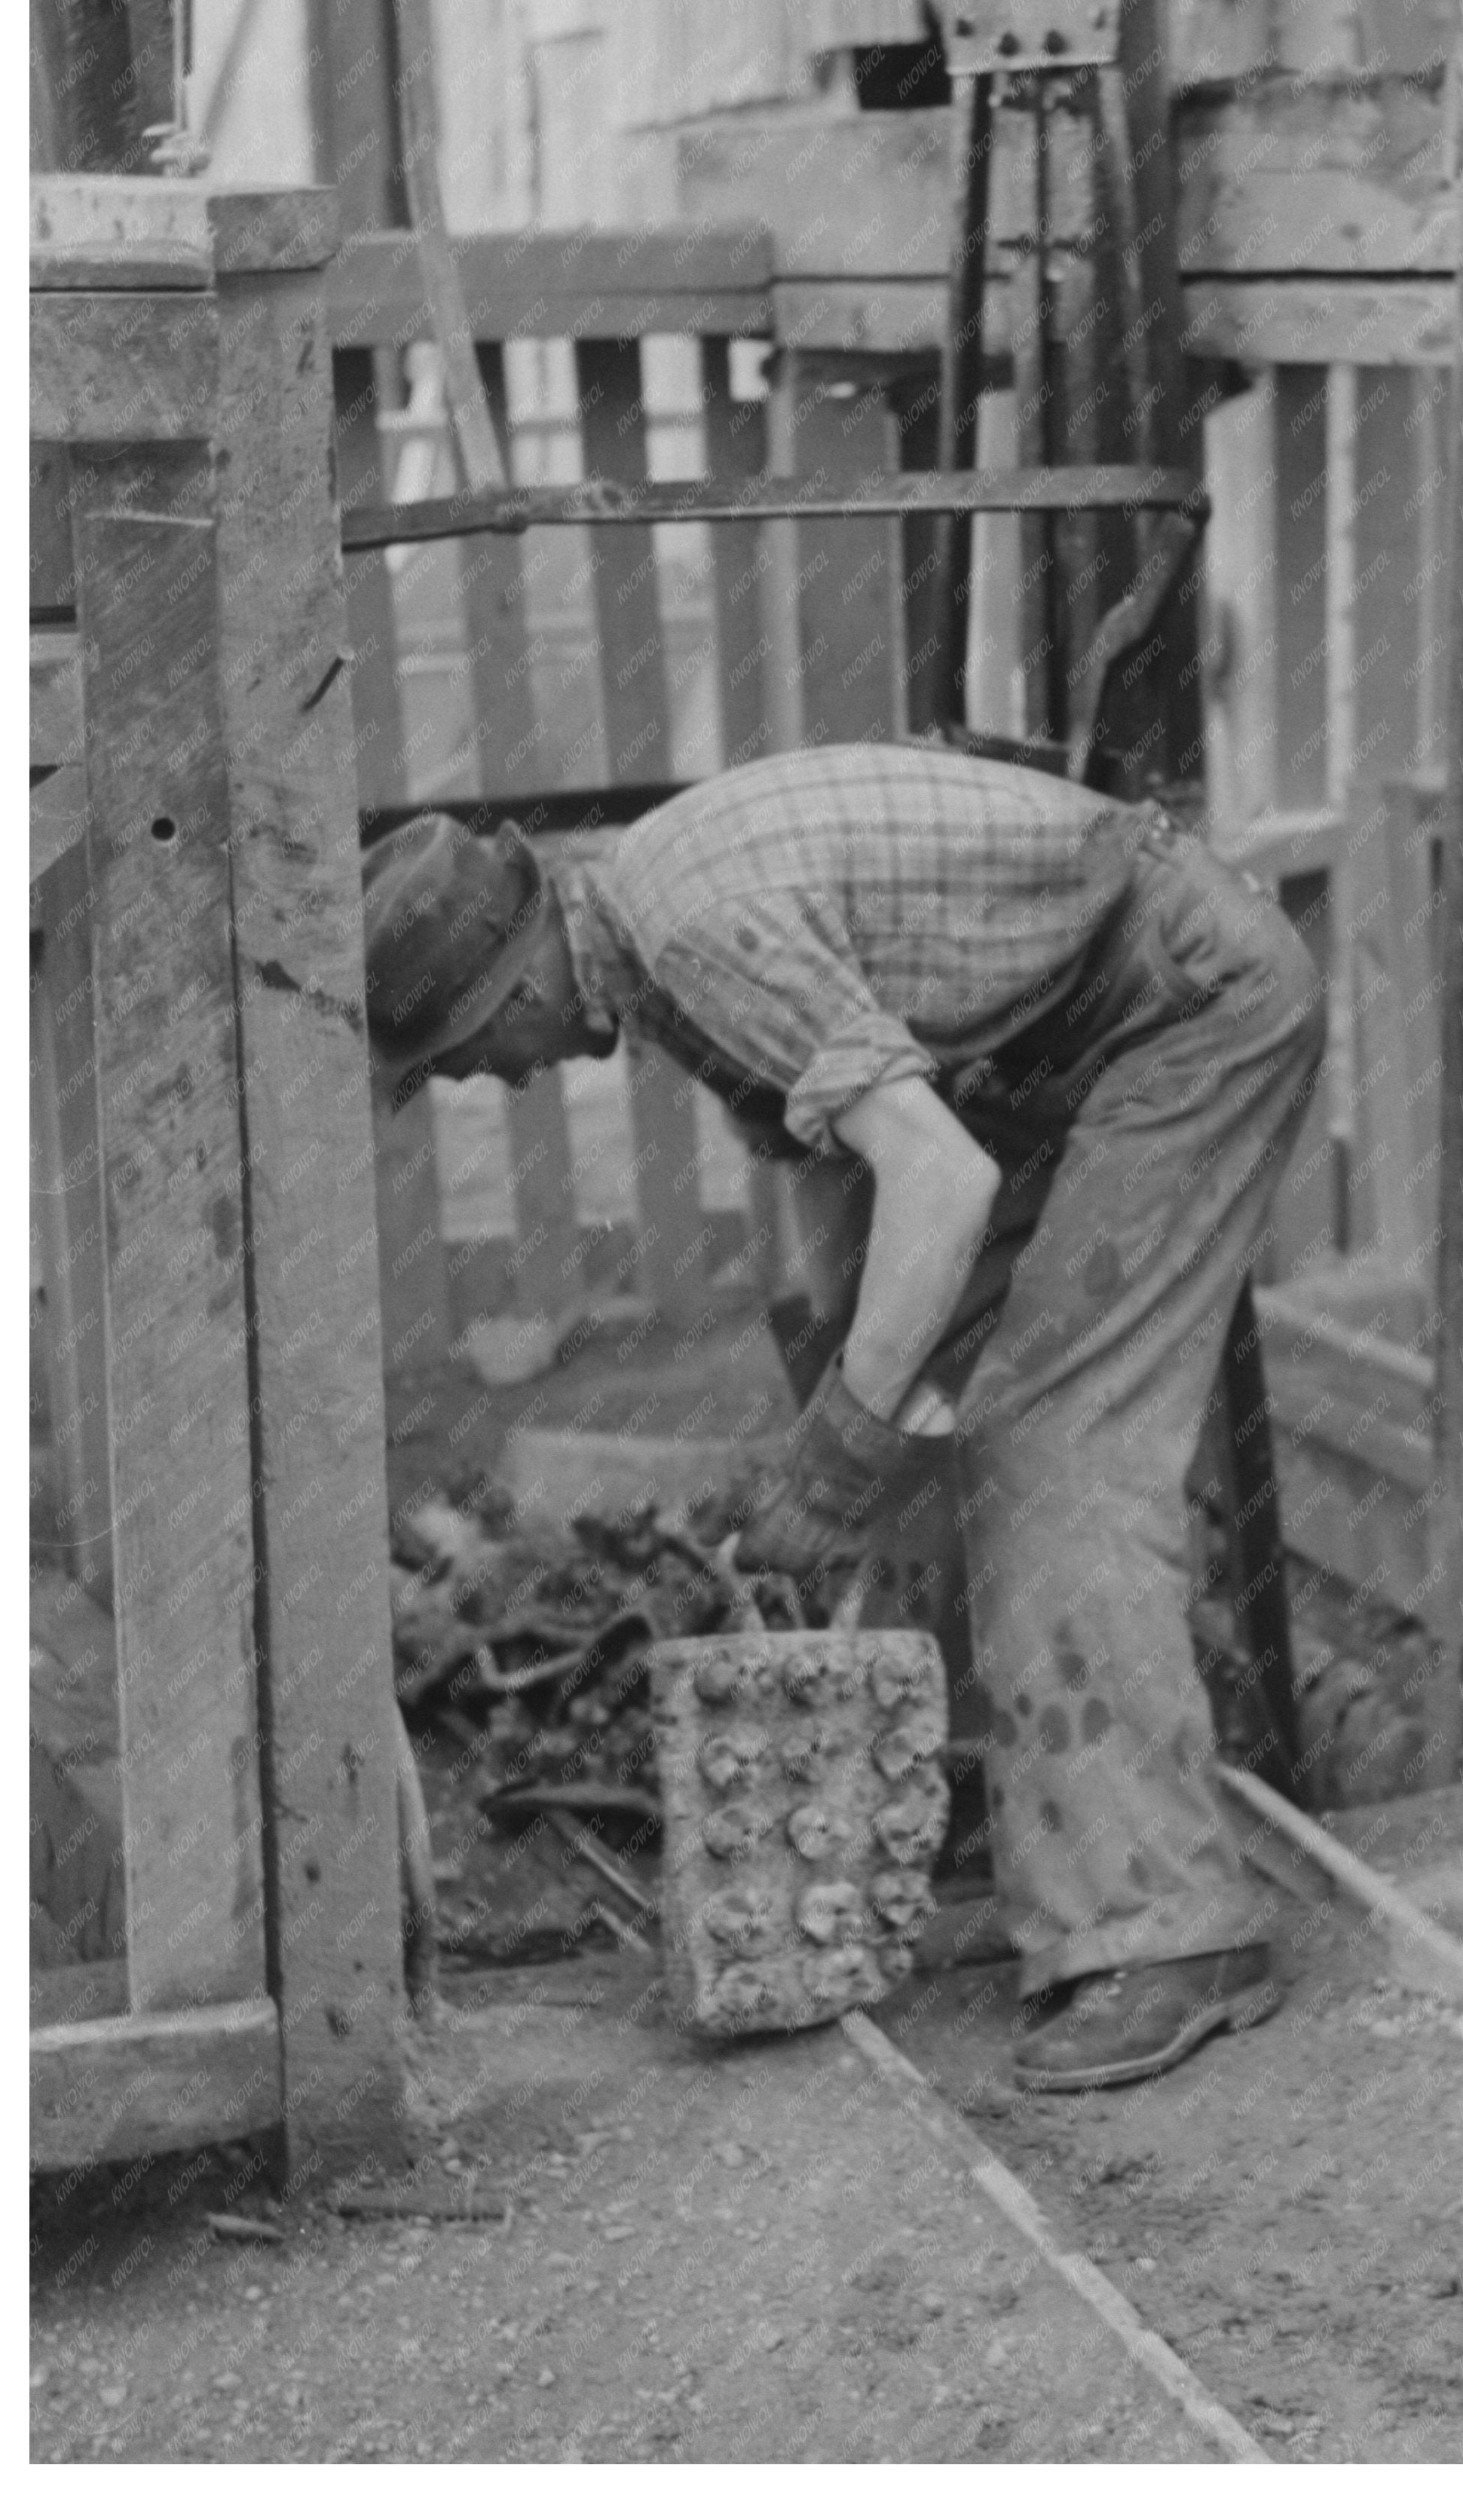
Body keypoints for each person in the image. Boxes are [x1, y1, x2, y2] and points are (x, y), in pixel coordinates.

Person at [362, 742, 1327, 2089]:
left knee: (1050, 1440)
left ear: (509, 980)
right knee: (926, 1414)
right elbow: (845, 1185)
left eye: (467, 1058)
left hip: (1179, 1011)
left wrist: (838, 1458)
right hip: (1049, 1052)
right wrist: (857, 1407)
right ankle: (1016, 1812)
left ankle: (1170, 1930)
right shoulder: (653, 953)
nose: (491, 1084)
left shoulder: (694, 927)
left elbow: (936, 1181)